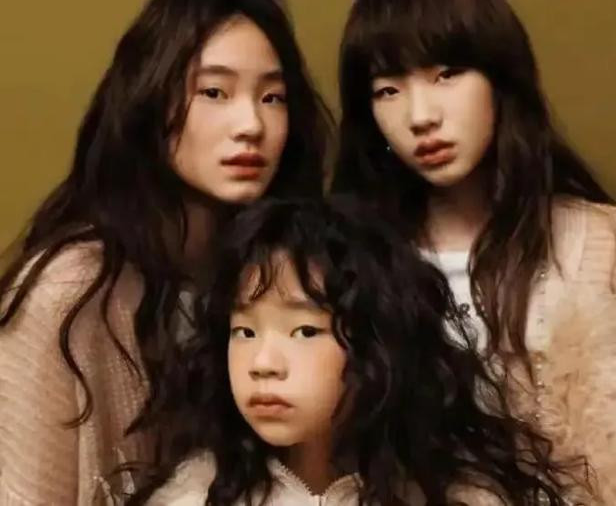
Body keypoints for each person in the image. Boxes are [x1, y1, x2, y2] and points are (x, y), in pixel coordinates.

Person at [0, 0, 332, 503]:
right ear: (150, 100)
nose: (251, 124)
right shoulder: (68, 291)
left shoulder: (285, 271)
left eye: (272, 97)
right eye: (214, 92)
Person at [333, 0, 616, 503]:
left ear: (501, 79)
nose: (420, 116)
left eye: (447, 74)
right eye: (388, 90)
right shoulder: (348, 265)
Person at [130, 197, 581, 505]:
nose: (263, 364)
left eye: (304, 331)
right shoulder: (193, 497)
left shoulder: (460, 496)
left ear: (377, 341)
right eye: (244, 332)